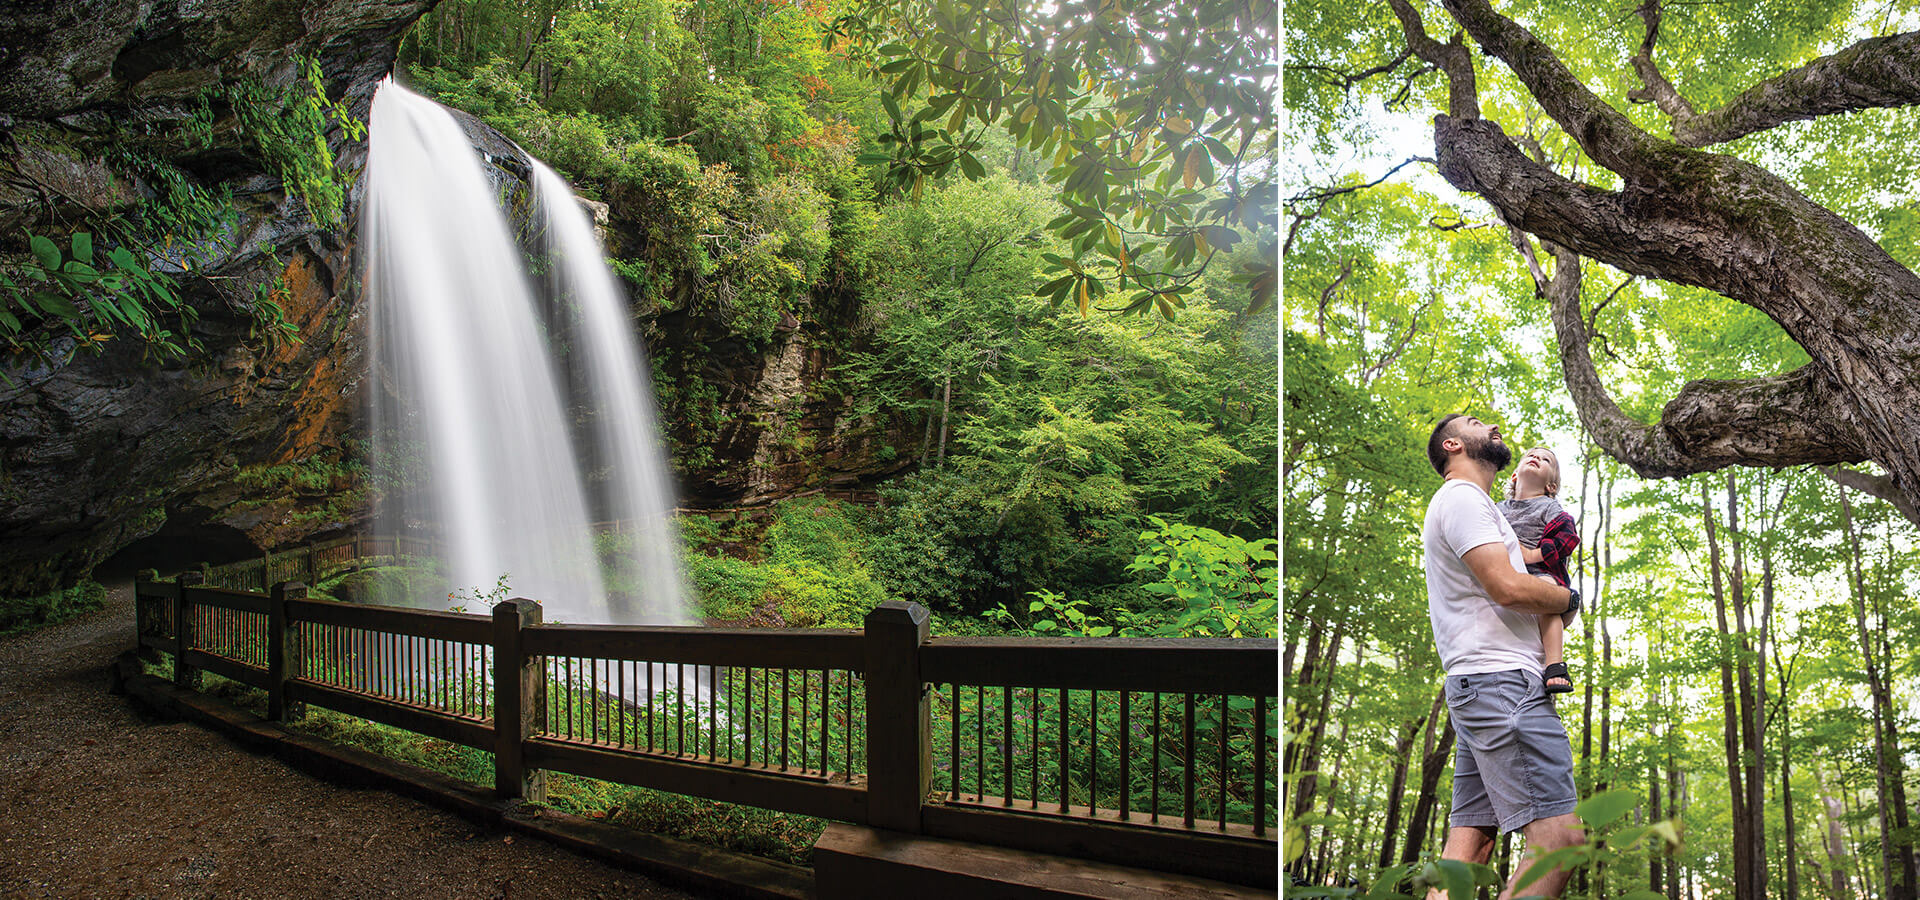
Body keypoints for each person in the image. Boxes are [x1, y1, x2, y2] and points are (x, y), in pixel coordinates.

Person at [1421, 413, 1584, 898]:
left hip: (1482, 688)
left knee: (1470, 850)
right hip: (1502, 686)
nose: (1491, 424)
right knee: (1562, 842)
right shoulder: (1464, 498)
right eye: (1475, 422)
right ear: (1453, 445)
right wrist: (1569, 599)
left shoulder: (1484, 509)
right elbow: (1509, 588)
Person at [1497, 447, 1581, 694]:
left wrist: (1534, 554)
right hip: (1502, 571)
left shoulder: (1548, 507)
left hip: (1538, 572)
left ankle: (1554, 664)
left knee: (1549, 597)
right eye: (1531, 455)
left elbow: (1567, 537)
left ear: (1551, 486)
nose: (1536, 458)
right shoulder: (1497, 508)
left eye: (1545, 460)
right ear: (1514, 475)